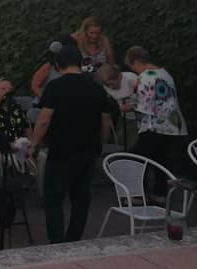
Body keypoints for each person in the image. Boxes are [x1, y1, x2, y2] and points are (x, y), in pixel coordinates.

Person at [29, 44, 113, 243]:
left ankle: (57, 241)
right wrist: (100, 143)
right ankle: (74, 238)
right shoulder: (96, 87)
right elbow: (106, 121)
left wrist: (34, 144)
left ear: (59, 64)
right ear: (80, 62)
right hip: (88, 150)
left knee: (54, 197)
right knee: (81, 198)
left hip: (61, 150)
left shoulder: (55, 87)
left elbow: (44, 120)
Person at [125, 46, 188, 201]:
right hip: (171, 124)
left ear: (136, 61)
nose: (134, 70)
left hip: (154, 125)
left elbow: (145, 105)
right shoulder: (164, 73)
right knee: (161, 159)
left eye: (132, 67)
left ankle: (138, 195)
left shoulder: (145, 77)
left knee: (139, 159)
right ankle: (161, 194)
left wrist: (128, 106)